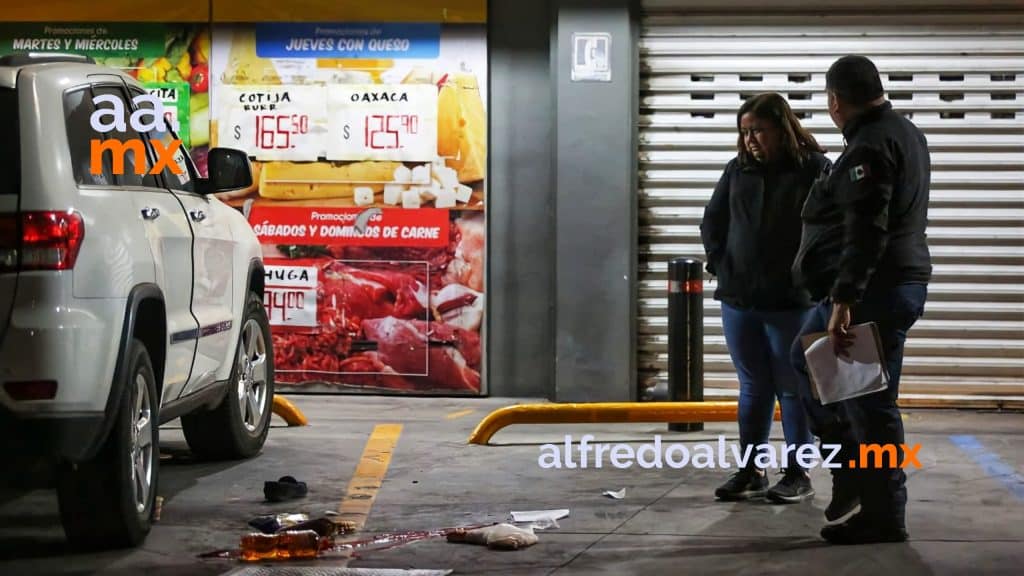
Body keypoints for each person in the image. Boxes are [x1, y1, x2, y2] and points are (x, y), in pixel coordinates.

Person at [790, 55, 931, 544]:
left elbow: (868, 229)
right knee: (812, 364)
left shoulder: (870, 145)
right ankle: (853, 472)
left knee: (871, 405)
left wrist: (845, 301)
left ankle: (883, 512)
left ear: (834, 100)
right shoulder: (904, 132)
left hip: (876, 290)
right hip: (891, 284)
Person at [701, 93, 831, 504]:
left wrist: (815, 279)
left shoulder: (814, 169)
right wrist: (723, 265)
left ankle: (797, 473)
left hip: (792, 302)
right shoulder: (738, 170)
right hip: (740, 299)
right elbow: (713, 221)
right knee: (753, 387)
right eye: (744, 132)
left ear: (782, 127)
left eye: (758, 130)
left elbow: (833, 229)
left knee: (793, 389)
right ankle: (751, 470)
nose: (751, 139)